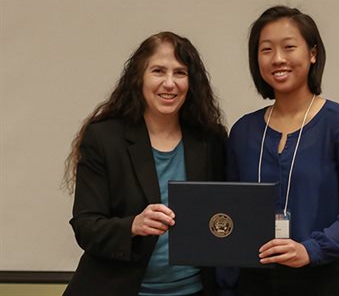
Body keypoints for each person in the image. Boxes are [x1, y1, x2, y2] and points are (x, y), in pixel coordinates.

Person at [222, 5, 339, 296]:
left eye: (289, 47)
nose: (278, 59)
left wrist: (310, 250)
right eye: (266, 49)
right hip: (253, 282)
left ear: (312, 53)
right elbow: (230, 212)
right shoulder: (243, 131)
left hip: (319, 279)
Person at [62, 31, 226, 296]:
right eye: (158, 71)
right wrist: (133, 225)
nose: (170, 83)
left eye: (180, 73)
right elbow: (86, 226)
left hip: (195, 290)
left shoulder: (212, 140)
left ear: (192, 82)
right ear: (139, 77)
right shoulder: (104, 138)